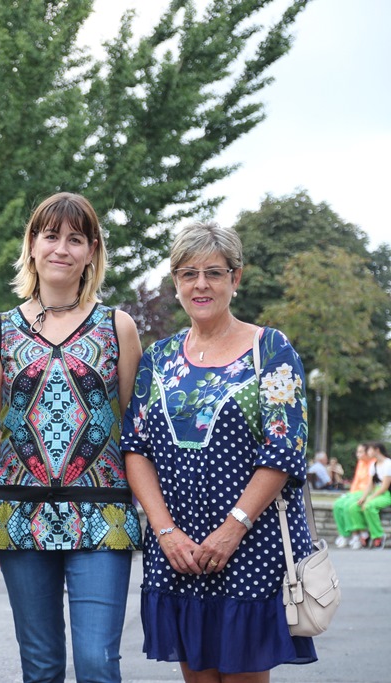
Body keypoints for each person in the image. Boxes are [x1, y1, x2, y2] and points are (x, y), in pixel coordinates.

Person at [122, 221, 316, 682]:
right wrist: (165, 532)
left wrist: (233, 530)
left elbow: (283, 450)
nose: (201, 284)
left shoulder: (268, 350)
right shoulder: (158, 358)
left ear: (236, 277)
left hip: (249, 547)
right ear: (176, 282)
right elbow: (136, 448)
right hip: (179, 552)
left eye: (214, 272)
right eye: (188, 274)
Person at [0, 192, 142, 683]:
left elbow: (132, 424)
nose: (61, 249)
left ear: (92, 251)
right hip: (22, 516)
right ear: (31, 245)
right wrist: (26, 475)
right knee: (42, 666)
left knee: (95, 662)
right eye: (50, 236)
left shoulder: (118, 327)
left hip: (102, 513)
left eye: (76, 239)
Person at [333, 442, 391, 549]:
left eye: (370, 450)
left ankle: (378, 535)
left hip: (385, 494)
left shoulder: (388, 463)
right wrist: (363, 498)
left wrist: (369, 498)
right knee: (356, 506)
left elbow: (384, 487)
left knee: (369, 506)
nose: (368, 452)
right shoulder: (374, 464)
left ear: (376, 450)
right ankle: (363, 535)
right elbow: (370, 484)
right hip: (375, 492)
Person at [333, 444, 374, 547]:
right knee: (337, 504)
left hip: (366, 492)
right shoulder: (360, 463)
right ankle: (344, 535)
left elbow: (371, 483)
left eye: (361, 452)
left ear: (368, 452)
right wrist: (351, 493)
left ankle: (356, 536)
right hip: (355, 492)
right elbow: (356, 481)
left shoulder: (373, 463)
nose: (358, 454)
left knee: (348, 505)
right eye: (357, 452)